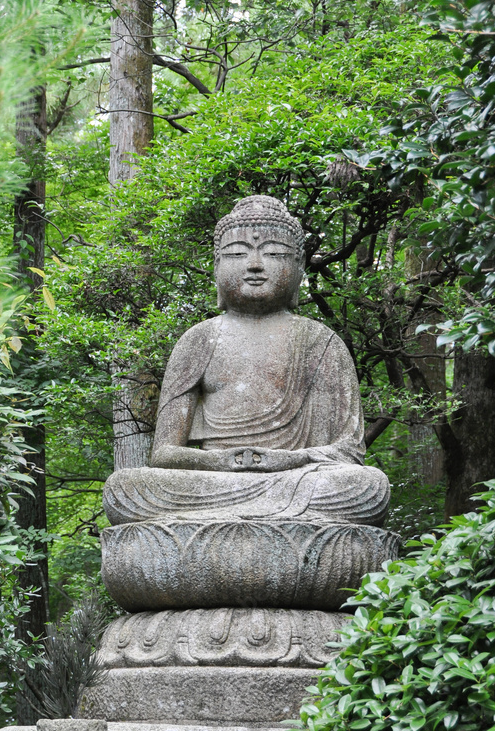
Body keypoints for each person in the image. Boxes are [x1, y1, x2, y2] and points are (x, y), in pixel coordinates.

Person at [103, 195, 390, 527]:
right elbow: (165, 454)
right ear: (217, 267)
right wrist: (224, 462)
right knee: (125, 489)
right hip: (212, 482)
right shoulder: (199, 339)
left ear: (298, 271)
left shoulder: (320, 342)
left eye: (274, 254)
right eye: (237, 253)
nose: (255, 264)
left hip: (295, 479)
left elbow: (347, 453)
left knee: (367, 487)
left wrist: (286, 460)